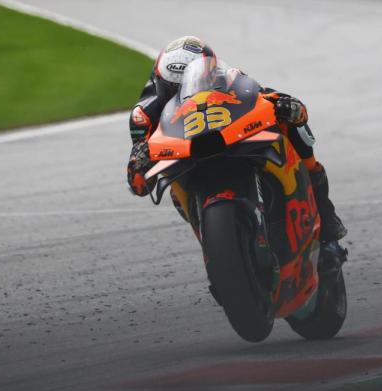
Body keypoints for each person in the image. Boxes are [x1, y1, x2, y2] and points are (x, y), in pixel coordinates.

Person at [125, 35, 348, 267]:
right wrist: (140, 162)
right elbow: (139, 184)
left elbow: (267, 97)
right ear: (160, 82)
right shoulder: (144, 113)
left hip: (229, 138)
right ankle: (217, 253)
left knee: (289, 124)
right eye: (174, 88)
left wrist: (286, 105)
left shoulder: (229, 77)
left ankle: (327, 223)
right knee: (174, 191)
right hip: (186, 160)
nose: (184, 92)